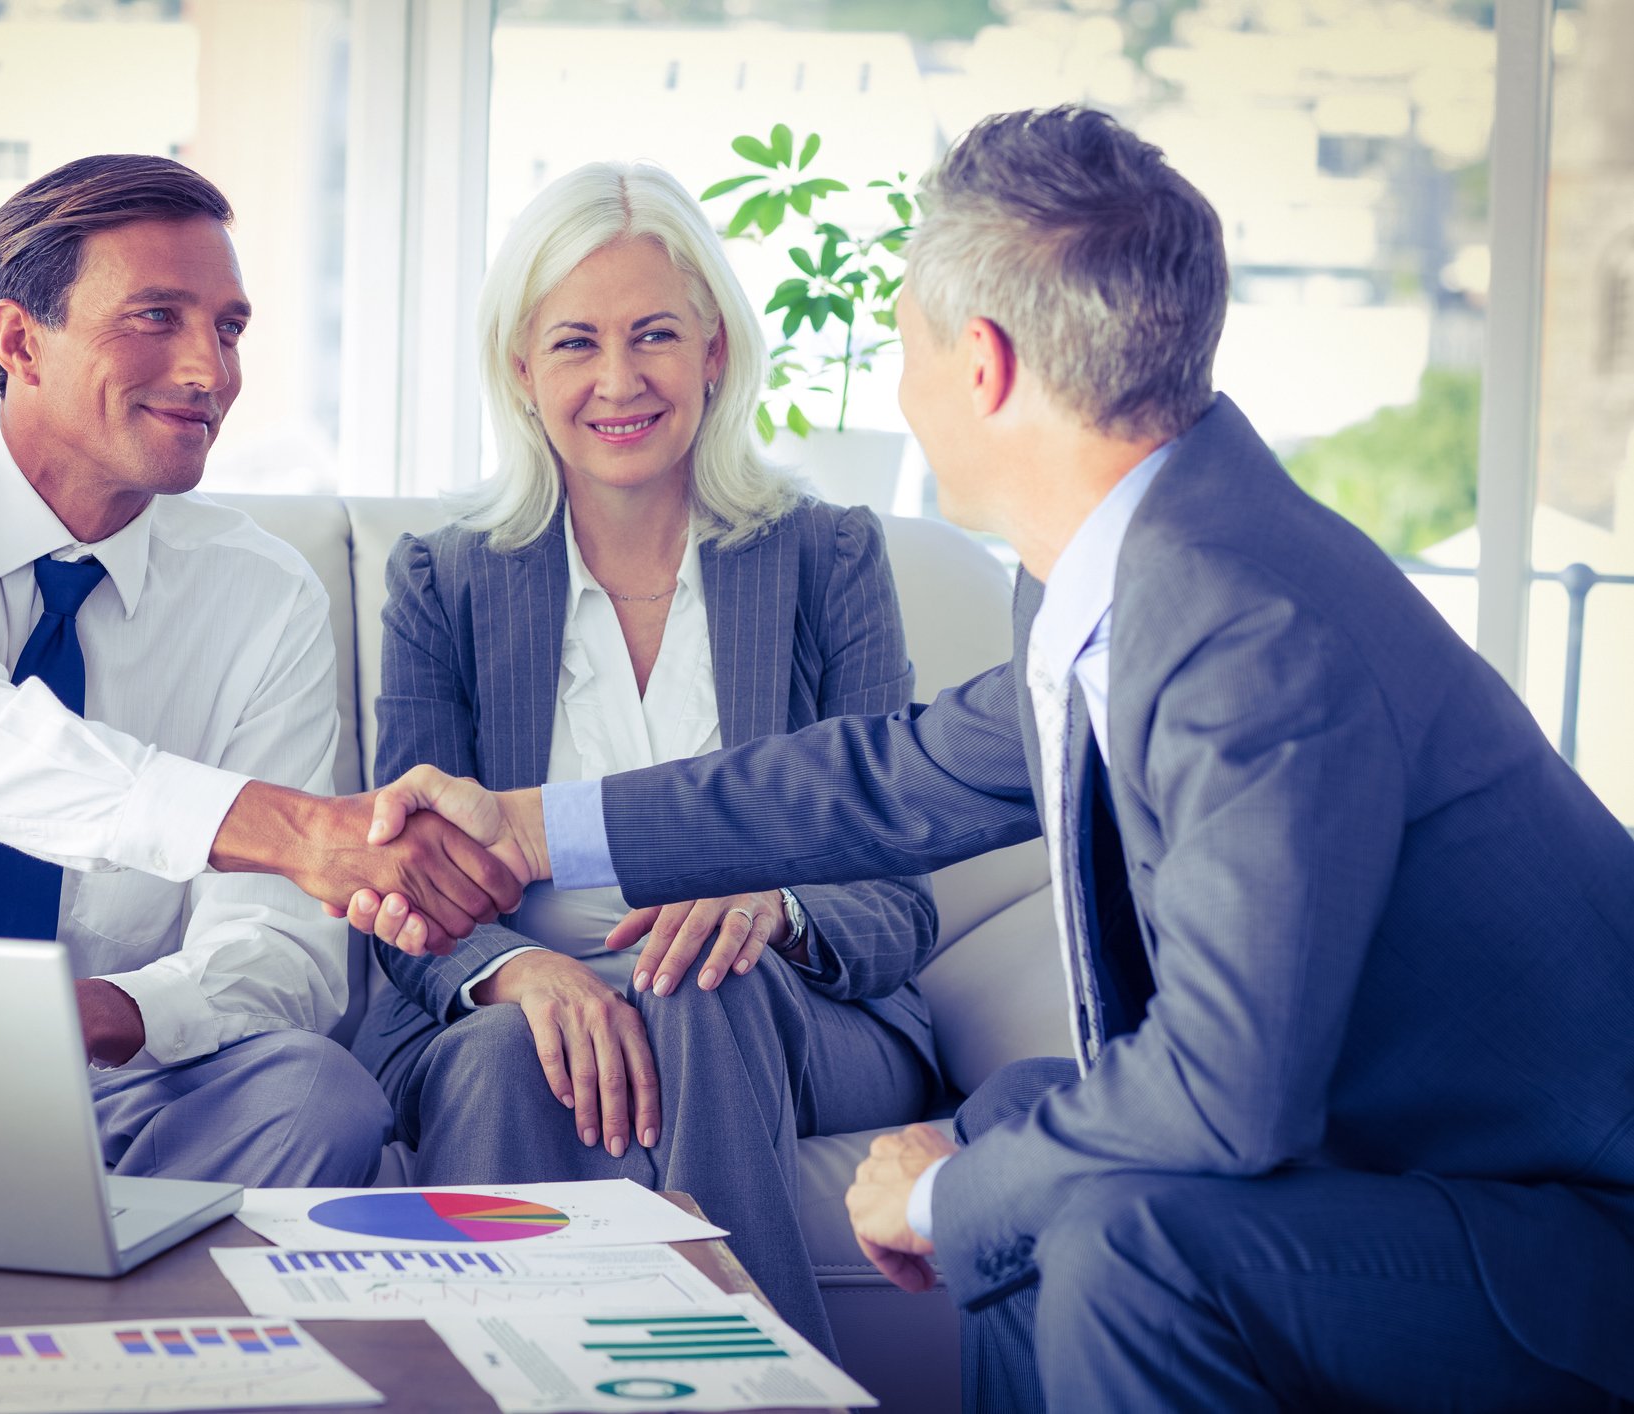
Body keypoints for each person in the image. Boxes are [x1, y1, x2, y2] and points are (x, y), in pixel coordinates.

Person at [348, 109, 1634, 1411]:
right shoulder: (1141, 561)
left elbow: (1224, 1097)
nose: (895, 384)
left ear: (982, 364)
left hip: (1565, 1218)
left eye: (903, 336)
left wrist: (951, 1187)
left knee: (1105, 1230)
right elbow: (882, 774)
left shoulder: (1247, 626)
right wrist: (526, 825)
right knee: (1020, 1117)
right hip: (1427, 1160)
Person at [0, 155, 522, 1194]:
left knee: (317, 1096)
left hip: (88, 1092)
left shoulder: (263, 595)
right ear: (19, 340)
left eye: (228, 326)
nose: (210, 369)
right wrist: (303, 832)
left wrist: (108, 1012)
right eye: (155, 317)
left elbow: (281, 952)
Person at [350, 161, 942, 1356]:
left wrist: (774, 905)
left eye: (654, 335)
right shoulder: (444, 580)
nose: (618, 380)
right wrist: (523, 973)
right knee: (512, 1055)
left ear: (714, 349)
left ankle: (757, 1384)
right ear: (522, 369)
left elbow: (899, 881)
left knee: (697, 982)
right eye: (575, 342)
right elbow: (406, 888)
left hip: (795, 1007)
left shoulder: (828, 558)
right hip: (521, 1003)